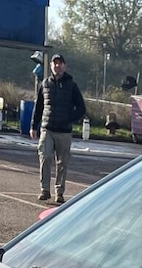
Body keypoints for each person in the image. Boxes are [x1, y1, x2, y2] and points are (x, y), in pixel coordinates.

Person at [31, 53, 87, 205]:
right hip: (47, 128)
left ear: (64, 66)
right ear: (51, 66)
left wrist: (69, 118)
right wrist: (33, 126)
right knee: (45, 156)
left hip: (64, 131)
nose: (58, 66)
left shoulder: (71, 85)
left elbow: (81, 108)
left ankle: (59, 192)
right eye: (55, 63)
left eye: (60, 63)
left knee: (62, 163)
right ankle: (44, 190)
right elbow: (39, 107)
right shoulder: (45, 84)